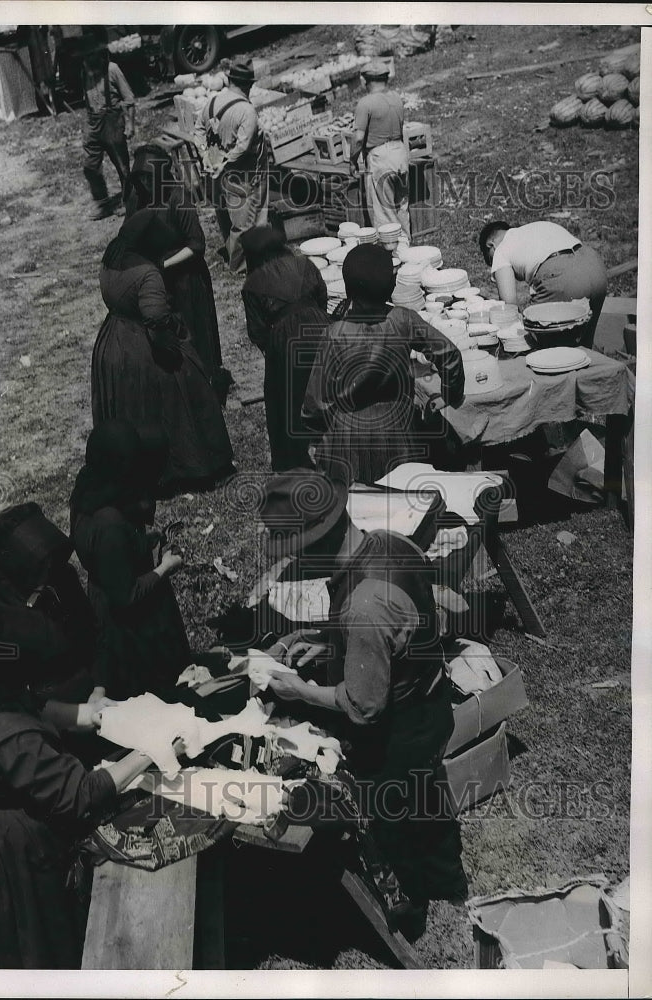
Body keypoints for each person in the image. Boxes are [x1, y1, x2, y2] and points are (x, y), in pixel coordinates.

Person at [0, 502, 154, 968]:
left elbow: (26, 704)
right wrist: (147, 753)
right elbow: (82, 794)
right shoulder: (16, 744)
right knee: (33, 945)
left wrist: (86, 715)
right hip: (10, 853)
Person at [258, 469, 468, 939]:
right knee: (430, 801)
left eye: (295, 553)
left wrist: (297, 690)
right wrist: (329, 640)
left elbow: (363, 706)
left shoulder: (364, 606)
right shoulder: (391, 542)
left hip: (397, 736)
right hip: (432, 706)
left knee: (392, 824)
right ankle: (450, 882)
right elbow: (398, 630)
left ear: (315, 544)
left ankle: (408, 913)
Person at [91, 208, 234, 494]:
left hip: (113, 341)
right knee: (183, 396)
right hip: (143, 343)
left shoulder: (113, 258)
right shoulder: (147, 274)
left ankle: (137, 470)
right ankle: (193, 467)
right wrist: (174, 342)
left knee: (132, 408)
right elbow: (155, 318)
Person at [302, 243, 465, 485]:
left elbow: (316, 403)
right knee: (403, 495)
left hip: (349, 436)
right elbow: (449, 354)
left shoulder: (335, 334)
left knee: (359, 504)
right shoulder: (402, 319)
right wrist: (448, 395)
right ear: (391, 286)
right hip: (399, 430)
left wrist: (315, 436)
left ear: (347, 290)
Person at [70, 420, 192, 701]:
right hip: (129, 629)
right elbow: (127, 596)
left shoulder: (88, 494)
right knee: (155, 691)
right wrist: (165, 567)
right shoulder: (109, 524)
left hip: (108, 598)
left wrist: (141, 542)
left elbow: (106, 555)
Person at [127, 144, 227, 391]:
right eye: (140, 179)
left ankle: (204, 384)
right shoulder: (137, 198)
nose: (145, 185)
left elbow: (197, 245)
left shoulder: (177, 197)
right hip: (154, 279)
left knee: (195, 332)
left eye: (149, 179)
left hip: (186, 279)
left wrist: (164, 265)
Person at [240, 225, 329, 471]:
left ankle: (296, 459)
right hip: (321, 328)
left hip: (285, 340)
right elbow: (322, 297)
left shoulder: (253, 283)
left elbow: (257, 331)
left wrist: (275, 349)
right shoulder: (304, 265)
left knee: (288, 399)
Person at [479, 219, 608, 349]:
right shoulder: (532, 229)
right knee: (585, 344)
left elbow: (509, 305)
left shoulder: (500, 249)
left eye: (491, 260)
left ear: (491, 245)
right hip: (595, 266)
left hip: (562, 277)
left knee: (542, 345)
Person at [193, 59, 269, 272]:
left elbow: (198, 130)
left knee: (227, 215)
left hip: (216, 171)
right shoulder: (246, 111)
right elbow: (244, 146)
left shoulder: (212, 102)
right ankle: (240, 264)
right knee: (245, 222)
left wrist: (205, 155)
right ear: (249, 85)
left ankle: (239, 253)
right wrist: (226, 161)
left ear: (229, 80)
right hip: (243, 174)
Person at [349, 60, 410, 241]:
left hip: (380, 156)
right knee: (401, 207)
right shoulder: (397, 98)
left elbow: (359, 138)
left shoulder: (366, 103)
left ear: (364, 80)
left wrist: (352, 161)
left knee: (384, 212)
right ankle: (407, 247)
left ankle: (391, 255)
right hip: (400, 152)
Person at [80, 31, 136, 221]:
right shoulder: (85, 71)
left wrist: (130, 124)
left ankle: (130, 202)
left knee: (122, 166)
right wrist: (88, 126)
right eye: (84, 56)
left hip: (112, 122)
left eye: (90, 55)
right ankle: (102, 203)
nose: (87, 59)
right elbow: (88, 100)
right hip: (94, 123)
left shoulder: (112, 69)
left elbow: (129, 99)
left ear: (99, 53)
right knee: (90, 166)